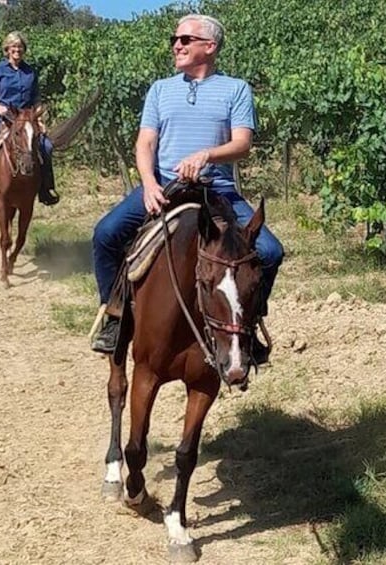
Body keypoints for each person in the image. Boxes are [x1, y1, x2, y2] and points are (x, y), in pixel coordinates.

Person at [90, 14, 284, 361]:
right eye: (174, 40)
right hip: (166, 185)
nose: (176, 45)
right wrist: (148, 184)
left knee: (269, 252)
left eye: (184, 39)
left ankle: (249, 327)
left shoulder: (235, 89)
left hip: (217, 191)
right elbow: (145, 143)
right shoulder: (160, 89)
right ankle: (115, 316)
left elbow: (242, 144)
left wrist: (207, 153)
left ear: (210, 47)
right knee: (106, 233)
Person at [0, 31, 59, 206]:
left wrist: (38, 118)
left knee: (46, 146)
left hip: (25, 118)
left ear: (24, 49)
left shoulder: (30, 72)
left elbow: (36, 99)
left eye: (20, 47)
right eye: (14, 46)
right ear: (7, 49)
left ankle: (46, 189)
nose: (17, 50)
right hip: (1, 116)